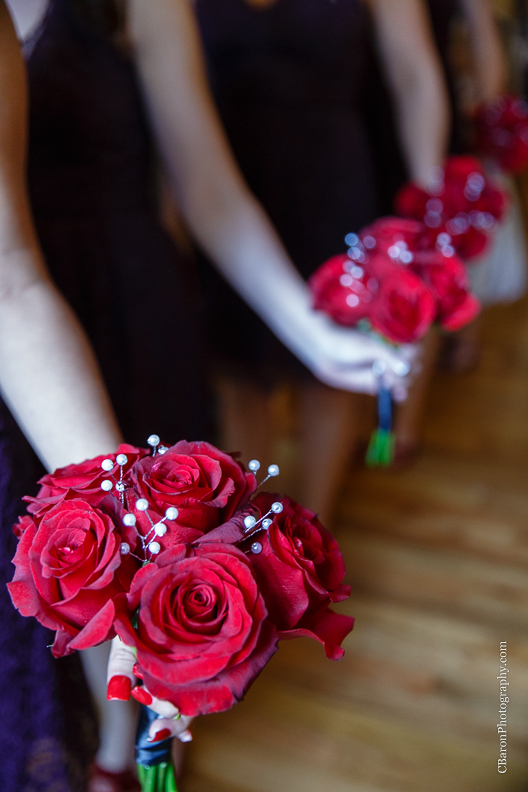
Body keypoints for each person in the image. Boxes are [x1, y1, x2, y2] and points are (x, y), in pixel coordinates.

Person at [3, 0, 415, 789]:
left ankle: (134, 763)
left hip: (127, 318)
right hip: (23, 361)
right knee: (44, 607)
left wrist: (313, 333)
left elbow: (209, 186)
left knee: (140, 618)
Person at [195, 0, 448, 511]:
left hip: (331, 180)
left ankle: (313, 524)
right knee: (238, 370)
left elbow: (415, 75)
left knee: (331, 374)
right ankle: (248, 536)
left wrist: (428, 210)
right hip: (220, 173)